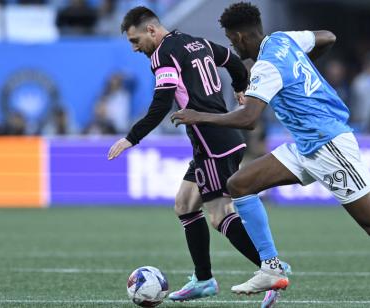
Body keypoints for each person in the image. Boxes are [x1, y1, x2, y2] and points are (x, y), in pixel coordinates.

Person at [171, 2, 370, 307]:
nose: (233, 47)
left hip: (328, 144)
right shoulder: (284, 39)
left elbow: (249, 119)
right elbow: (327, 37)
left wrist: (200, 116)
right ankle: (271, 267)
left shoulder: (266, 66)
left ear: (239, 37)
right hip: (306, 144)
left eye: (231, 40)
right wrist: (304, 70)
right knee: (239, 184)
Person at [106, 7, 287, 306]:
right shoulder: (197, 42)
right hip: (216, 140)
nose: (135, 48)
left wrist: (130, 138)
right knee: (185, 205)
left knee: (219, 215)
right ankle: (203, 280)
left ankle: (272, 269)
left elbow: (161, 103)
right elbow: (235, 62)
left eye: (136, 40)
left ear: (151, 30)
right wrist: (241, 88)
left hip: (213, 141)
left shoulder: (162, 55)